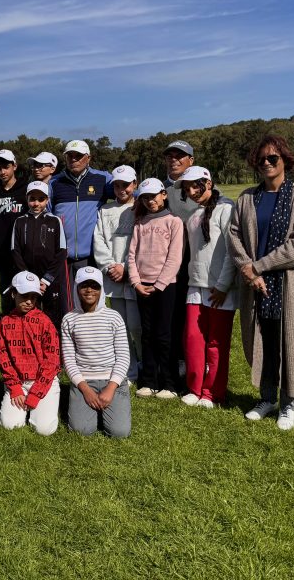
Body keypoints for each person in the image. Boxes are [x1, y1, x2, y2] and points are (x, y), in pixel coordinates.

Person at [228, 135, 294, 431]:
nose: (266, 163)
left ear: (285, 161)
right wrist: (248, 270)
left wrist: (259, 266)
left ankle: (289, 403)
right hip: (256, 286)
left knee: (290, 342)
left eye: (273, 158)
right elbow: (234, 236)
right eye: (261, 159)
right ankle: (267, 398)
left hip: (290, 286)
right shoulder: (246, 198)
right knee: (264, 342)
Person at [174, 166, 237, 409]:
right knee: (192, 339)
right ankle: (194, 387)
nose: (191, 191)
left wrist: (223, 285)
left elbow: (233, 252)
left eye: (195, 185)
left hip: (220, 290)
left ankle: (212, 392)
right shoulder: (193, 214)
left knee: (216, 343)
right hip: (195, 287)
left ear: (208, 183)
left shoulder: (227, 208)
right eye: (186, 187)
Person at [127, 178, 183, 399]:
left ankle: (169, 383)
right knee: (147, 334)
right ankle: (149, 381)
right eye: (145, 198)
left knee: (165, 334)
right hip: (142, 286)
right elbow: (132, 256)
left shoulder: (174, 222)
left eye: (154, 196)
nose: (150, 201)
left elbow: (175, 258)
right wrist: (136, 282)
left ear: (164, 195)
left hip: (166, 286)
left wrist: (159, 285)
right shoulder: (139, 223)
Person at [61, 267, 131, 438]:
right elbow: (68, 360)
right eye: (84, 285)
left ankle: (108, 407)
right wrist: (85, 390)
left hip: (112, 379)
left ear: (101, 289)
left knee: (119, 432)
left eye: (95, 286)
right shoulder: (69, 319)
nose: (89, 290)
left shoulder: (114, 317)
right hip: (83, 381)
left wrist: (111, 388)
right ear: (77, 288)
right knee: (82, 431)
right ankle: (90, 409)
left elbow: (123, 356)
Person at [49, 140, 114, 315]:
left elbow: (126, 190)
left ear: (88, 158)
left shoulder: (102, 179)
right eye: (70, 156)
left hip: (91, 256)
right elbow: (46, 215)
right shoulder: (54, 183)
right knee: (68, 307)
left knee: (93, 306)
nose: (73, 159)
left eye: (78, 156)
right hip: (64, 258)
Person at [0, 271, 61, 436]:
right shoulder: (4, 322)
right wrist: (15, 387)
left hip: (43, 381)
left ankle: (39, 409)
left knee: (44, 429)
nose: (29, 301)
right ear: (13, 294)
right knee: (10, 426)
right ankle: (22, 409)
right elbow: (3, 357)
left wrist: (36, 393)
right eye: (24, 295)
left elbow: (52, 360)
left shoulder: (45, 322)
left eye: (34, 297)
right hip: (18, 382)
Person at [93, 164, 141, 383]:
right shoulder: (105, 210)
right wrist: (110, 266)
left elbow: (143, 244)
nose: (122, 189)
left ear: (135, 184)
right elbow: (99, 240)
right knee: (120, 328)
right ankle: (129, 369)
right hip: (113, 277)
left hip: (134, 276)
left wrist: (126, 268)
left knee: (136, 326)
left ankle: (144, 364)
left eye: (126, 185)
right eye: (117, 185)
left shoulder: (141, 207)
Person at [163, 140, 201, 385]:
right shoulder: (159, 189)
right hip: (168, 262)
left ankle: (196, 358)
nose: (174, 160)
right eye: (170, 156)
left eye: (180, 156)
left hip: (196, 260)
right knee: (173, 312)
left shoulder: (200, 187)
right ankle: (177, 358)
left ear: (191, 160)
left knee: (195, 314)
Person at [10, 181, 66, 326]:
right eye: (32, 199)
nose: (36, 203)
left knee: (52, 317)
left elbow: (61, 252)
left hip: (50, 280)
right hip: (27, 279)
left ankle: (53, 339)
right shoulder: (19, 221)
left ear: (47, 200)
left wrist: (46, 280)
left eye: (41, 199)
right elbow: (15, 251)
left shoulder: (55, 221)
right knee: (28, 315)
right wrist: (26, 277)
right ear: (27, 199)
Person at [0, 149, 28, 305]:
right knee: (7, 297)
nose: (2, 171)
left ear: (14, 166)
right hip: (3, 255)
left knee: (26, 294)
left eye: (6, 167)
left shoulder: (25, 190)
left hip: (24, 254)